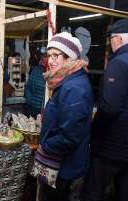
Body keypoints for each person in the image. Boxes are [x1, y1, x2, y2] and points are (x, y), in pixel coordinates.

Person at [38, 32, 94, 201]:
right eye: (49, 55)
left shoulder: (73, 87)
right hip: (63, 163)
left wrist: (45, 145)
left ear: (69, 58)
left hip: (64, 166)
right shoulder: (65, 80)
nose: (51, 60)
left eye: (56, 55)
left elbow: (69, 137)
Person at [80, 19, 128, 201]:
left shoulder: (118, 63)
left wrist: (96, 128)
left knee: (94, 190)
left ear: (118, 39)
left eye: (110, 40)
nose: (109, 44)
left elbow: (110, 108)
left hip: (113, 144)